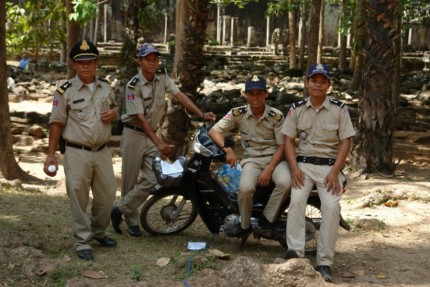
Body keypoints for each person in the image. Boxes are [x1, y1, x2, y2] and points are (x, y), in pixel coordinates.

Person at [111, 43, 216, 237]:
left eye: (154, 59)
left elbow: (179, 95)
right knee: (129, 181)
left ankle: (120, 209)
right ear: (140, 61)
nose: (152, 63)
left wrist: (200, 114)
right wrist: (159, 143)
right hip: (134, 134)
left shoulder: (162, 77)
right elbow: (140, 118)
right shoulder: (133, 85)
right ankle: (132, 221)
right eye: (147, 59)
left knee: (153, 177)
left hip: (151, 135)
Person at [43, 39, 118, 261]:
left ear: (97, 63)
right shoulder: (64, 90)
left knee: (107, 195)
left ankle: (99, 232)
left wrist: (113, 113)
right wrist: (50, 155)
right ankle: (82, 241)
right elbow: (56, 123)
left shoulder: (106, 87)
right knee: (78, 196)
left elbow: (113, 108)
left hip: (103, 151)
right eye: (80, 62)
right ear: (74, 65)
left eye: (90, 62)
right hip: (77, 152)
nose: (86, 66)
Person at [281, 63, 355, 282]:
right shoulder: (296, 108)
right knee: (296, 202)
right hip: (303, 165)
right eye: (314, 80)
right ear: (307, 83)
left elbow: (346, 142)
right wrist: (294, 168)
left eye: (323, 81)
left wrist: (335, 172)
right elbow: (288, 140)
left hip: (329, 168)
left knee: (331, 207)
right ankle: (296, 254)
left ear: (328, 85)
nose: (318, 84)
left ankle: (324, 262)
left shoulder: (339, 109)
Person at [208, 75, 291, 238]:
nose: (255, 97)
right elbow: (214, 131)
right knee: (245, 189)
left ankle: (268, 219)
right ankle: (245, 225)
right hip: (252, 160)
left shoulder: (276, 116)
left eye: (259, 93)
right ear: (245, 95)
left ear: (266, 93)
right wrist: (228, 150)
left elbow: (282, 146)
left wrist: (269, 168)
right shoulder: (238, 113)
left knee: (285, 182)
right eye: (251, 93)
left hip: (275, 159)